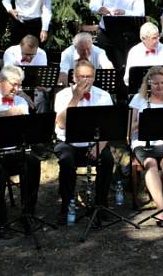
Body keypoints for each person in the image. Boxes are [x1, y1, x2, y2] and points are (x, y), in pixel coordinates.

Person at [0, 66, 41, 238]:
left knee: (33, 162)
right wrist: (5, 113)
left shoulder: (21, 102)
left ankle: (27, 214)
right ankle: (2, 223)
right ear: (0, 81)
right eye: (13, 85)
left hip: (12, 151)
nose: (17, 89)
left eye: (19, 86)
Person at [53, 61, 115, 224]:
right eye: (81, 77)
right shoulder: (63, 95)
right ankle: (66, 206)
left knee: (107, 160)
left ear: (94, 78)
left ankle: (101, 204)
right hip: (68, 143)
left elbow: (109, 127)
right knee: (66, 161)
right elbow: (60, 123)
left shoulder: (103, 96)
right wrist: (76, 98)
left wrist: (99, 146)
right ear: (74, 77)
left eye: (89, 76)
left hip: (94, 142)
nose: (85, 80)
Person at [129, 66, 163, 226]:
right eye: (155, 84)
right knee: (151, 164)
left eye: (162, 83)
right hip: (143, 142)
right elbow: (129, 127)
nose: (159, 87)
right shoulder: (138, 100)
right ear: (148, 85)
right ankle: (161, 210)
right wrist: (143, 124)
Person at [89, 0, 145, 69]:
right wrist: (99, 8)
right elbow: (93, 4)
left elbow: (140, 13)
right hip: (105, 32)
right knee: (104, 65)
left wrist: (124, 12)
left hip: (125, 35)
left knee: (121, 66)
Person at [2, 35, 48, 112]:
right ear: (20, 47)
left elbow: (41, 78)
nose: (29, 58)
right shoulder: (11, 52)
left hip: (34, 88)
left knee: (41, 99)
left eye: (32, 55)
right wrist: (22, 94)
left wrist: (43, 86)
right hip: (14, 87)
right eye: (26, 54)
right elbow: (9, 77)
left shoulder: (41, 54)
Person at [123, 22, 163, 86]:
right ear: (144, 39)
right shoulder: (134, 52)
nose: (157, 41)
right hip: (141, 90)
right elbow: (127, 79)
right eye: (154, 38)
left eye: (158, 37)